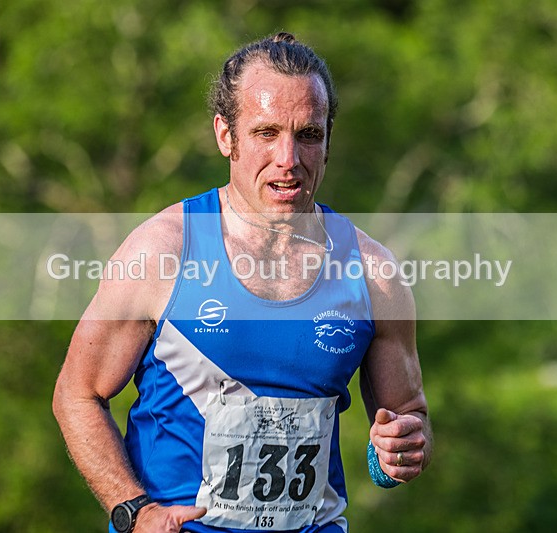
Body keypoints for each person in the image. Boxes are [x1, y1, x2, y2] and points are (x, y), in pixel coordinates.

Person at [52, 32, 432, 533]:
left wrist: (393, 456)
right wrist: (133, 511)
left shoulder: (373, 274)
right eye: (266, 132)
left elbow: (406, 421)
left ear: (328, 140)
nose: (288, 159)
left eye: (309, 135)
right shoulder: (161, 253)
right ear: (225, 136)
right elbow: (76, 396)